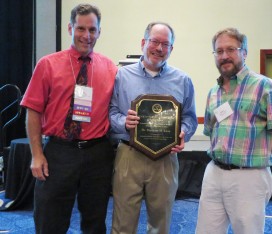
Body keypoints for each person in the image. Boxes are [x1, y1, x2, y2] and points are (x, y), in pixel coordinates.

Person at [21, 4, 117, 234]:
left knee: (95, 222)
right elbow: (32, 110)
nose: (87, 35)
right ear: (70, 28)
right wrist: (36, 154)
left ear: (99, 32)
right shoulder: (48, 64)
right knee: (50, 220)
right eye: (81, 28)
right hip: (59, 152)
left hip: (98, 153)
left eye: (92, 30)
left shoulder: (110, 68)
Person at [195, 27, 272, 234]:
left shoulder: (266, 87)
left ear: (244, 52)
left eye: (231, 49)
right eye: (219, 51)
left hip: (249, 177)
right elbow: (212, 131)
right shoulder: (214, 92)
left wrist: (256, 156)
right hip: (214, 172)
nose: (224, 56)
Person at [109, 22, 198, 234]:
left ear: (171, 49)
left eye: (165, 44)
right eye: (154, 41)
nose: (159, 48)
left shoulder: (183, 80)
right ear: (143, 43)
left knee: (161, 222)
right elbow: (111, 112)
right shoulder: (121, 76)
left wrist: (183, 132)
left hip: (165, 158)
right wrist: (124, 122)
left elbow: (190, 118)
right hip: (129, 154)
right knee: (123, 222)